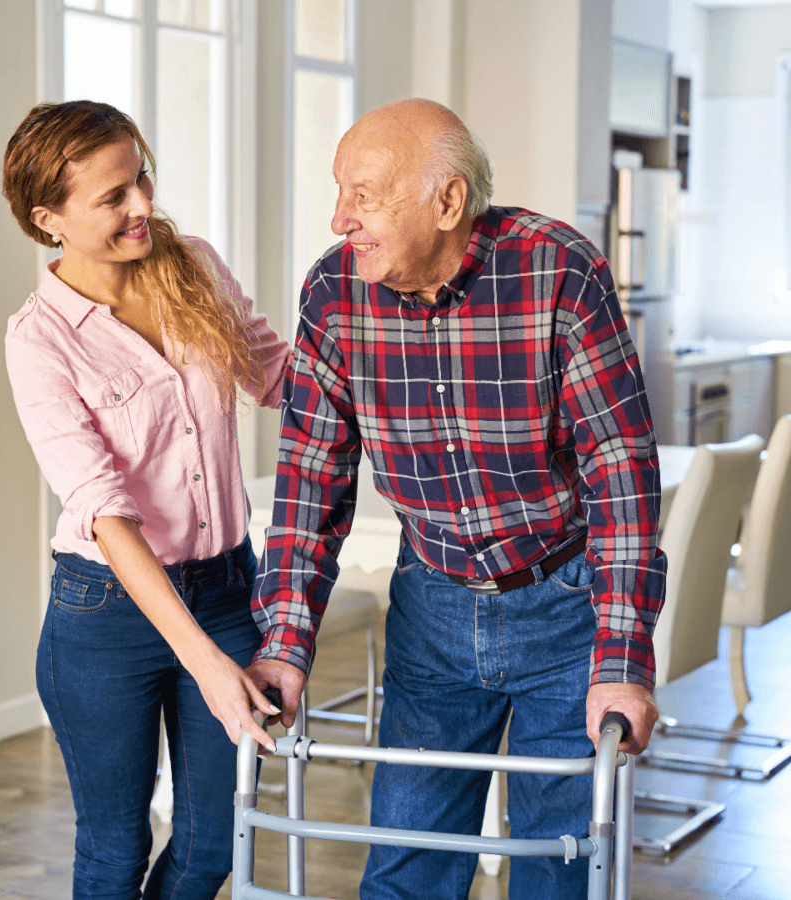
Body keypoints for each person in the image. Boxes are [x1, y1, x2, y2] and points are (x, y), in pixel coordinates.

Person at [247, 98, 667, 900]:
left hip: (564, 607)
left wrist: (621, 663)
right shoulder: (335, 295)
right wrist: (285, 641)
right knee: (406, 867)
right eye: (340, 193)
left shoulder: (558, 271)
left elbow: (620, 474)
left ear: (447, 202)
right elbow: (310, 480)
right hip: (433, 610)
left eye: (363, 195)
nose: (340, 218)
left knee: (556, 866)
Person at [2, 100, 291, 900]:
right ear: (47, 219)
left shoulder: (190, 263)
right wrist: (207, 664)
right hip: (105, 613)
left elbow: (275, 374)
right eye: (113, 197)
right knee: (113, 849)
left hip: (229, 588)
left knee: (213, 845)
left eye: (143, 179)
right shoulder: (39, 338)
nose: (143, 208)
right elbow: (105, 510)